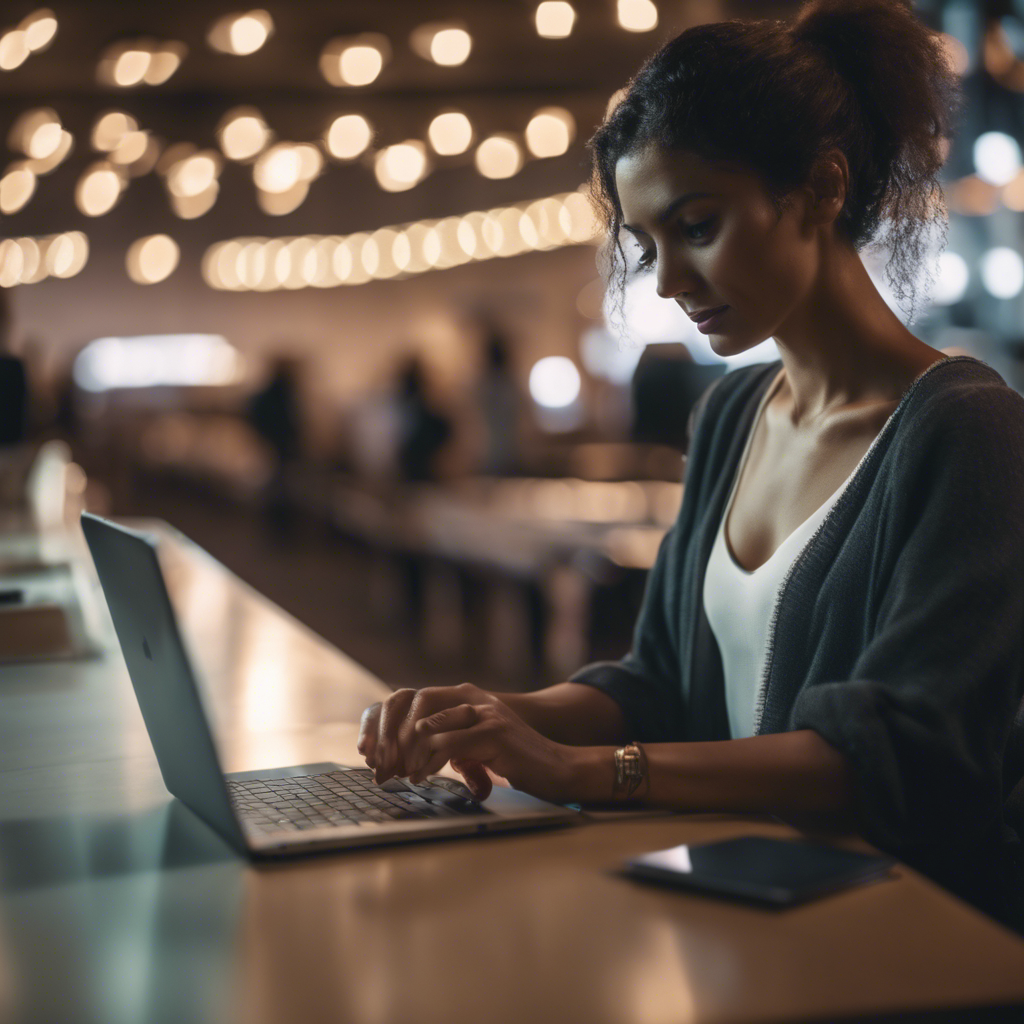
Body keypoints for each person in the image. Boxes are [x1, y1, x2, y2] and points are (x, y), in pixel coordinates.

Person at [357, 0, 1024, 929]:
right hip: (741, 911)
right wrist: (488, 713)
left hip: (908, 937)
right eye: (648, 246)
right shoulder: (733, 417)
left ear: (823, 187)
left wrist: (583, 769)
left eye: (698, 225)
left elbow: (891, 758)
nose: (668, 281)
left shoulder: (969, 431)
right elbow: (660, 683)